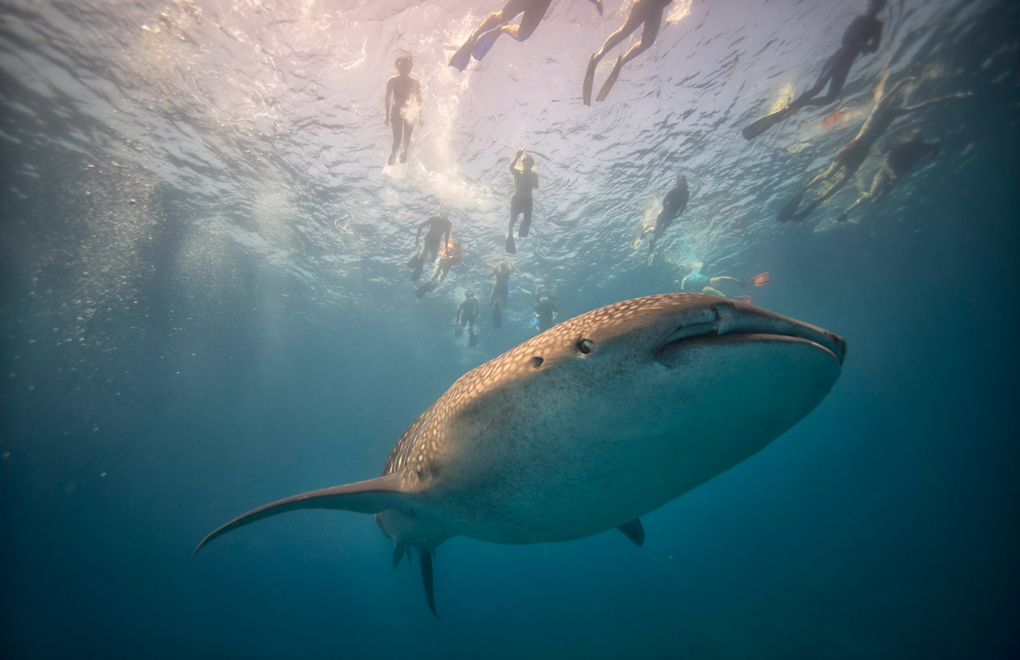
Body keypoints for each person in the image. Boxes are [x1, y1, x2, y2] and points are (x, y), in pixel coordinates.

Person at [777, 66, 969, 223]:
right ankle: (803, 191)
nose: (897, 101)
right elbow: (887, 95)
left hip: (862, 152)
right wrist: (904, 81)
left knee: (841, 183)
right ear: (892, 99)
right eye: (897, 99)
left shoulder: (895, 113)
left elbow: (920, 106)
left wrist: (948, 98)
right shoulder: (879, 109)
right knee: (829, 175)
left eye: (899, 100)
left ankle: (815, 204)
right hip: (855, 145)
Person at [742, 0, 887, 141]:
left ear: (881, 6)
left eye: (879, 3)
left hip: (846, 64)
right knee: (817, 88)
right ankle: (785, 110)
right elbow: (845, 40)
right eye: (874, 2)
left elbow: (874, 48)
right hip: (837, 58)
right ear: (870, 3)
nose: (875, 5)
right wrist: (859, 44)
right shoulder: (860, 19)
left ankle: (798, 105)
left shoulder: (877, 25)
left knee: (830, 98)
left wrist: (865, 47)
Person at [449, 0, 604, 71]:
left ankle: (502, 29)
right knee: (503, 15)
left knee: (520, 33)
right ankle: (475, 35)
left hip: (540, 4)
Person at [835, 131, 942, 223]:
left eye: (919, 138)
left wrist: (936, 146)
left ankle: (862, 193)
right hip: (885, 173)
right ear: (912, 137)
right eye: (915, 138)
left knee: (875, 201)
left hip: (895, 175)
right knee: (872, 196)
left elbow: (933, 154)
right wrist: (892, 175)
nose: (916, 141)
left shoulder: (923, 147)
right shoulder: (904, 145)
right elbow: (884, 162)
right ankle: (846, 212)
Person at [583, 0, 673, 105]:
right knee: (625, 31)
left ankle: (622, 61)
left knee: (647, 43)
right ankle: (596, 58)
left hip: (658, 7)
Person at [641, 171, 690, 266]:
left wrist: (679, 214)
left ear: (685, 184)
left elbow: (684, 205)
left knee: (660, 233)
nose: (681, 185)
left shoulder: (686, 194)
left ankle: (652, 242)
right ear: (677, 183)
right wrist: (667, 210)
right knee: (656, 229)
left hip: (671, 216)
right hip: (663, 214)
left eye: (683, 184)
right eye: (680, 183)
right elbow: (664, 202)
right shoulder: (672, 191)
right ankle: (645, 231)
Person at [384, 55, 423, 166]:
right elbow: (387, 98)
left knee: (406, 139)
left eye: (407, 68)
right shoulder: (392, 81)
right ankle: (393, 153)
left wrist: (420, 116)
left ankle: (405, 151)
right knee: (397, 141)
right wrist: (386, 115)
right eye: (402, 67)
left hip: (410, 113)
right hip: (396, 112)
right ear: (398, 67)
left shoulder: (415, 83)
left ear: (410, 69)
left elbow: (419, 100)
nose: (405, 70)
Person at [505, 148, 539, 254]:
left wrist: (530, 175)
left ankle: (522, 232)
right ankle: (510, 234)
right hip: (517, 200)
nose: (527, 165)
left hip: (528, 200)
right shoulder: (518, 171)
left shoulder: (533, 174)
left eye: (530, 163)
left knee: (528, 221)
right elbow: (510, 168)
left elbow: (536, 186)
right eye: (525, 163)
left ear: (532, 165)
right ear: (522, 164)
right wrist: (517, 156)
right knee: (513, 220)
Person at [407, 207, 452, 282]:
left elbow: (447, 236)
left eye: (447, 213)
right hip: (428, 240)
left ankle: (421, 256)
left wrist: (446, 249)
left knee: (432, 260)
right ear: (440, 212)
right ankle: (420, 258)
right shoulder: (434, 219)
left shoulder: (448, 224)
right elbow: (421, 225)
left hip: (436, 242)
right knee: (422, 256)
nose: (445, 214)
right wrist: (416, 238)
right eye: (444, 212)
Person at [678, 265, 770, 299]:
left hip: (708, 280)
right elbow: (682, 289)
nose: (687, 268)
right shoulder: (684, 279)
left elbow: (703, 265)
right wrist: (676, 284)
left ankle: (743, 283)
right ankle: (728, 298)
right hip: (702, 288)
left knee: (723, 278)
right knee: (712, 291)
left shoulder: (696, 270)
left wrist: (702, 262)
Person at [489, 259, 514, 327]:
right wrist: (490, 275)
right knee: (490, 303)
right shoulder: (496, 268)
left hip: (504, 288)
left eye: (503, 266)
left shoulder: (507, 269)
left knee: (503, 307)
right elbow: (490, 275)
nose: (501, 268)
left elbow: (514, 269)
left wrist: (510, 262)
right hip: (497, 287)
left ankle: (498, 304)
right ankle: (496, 304)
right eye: (501, 266)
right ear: (499, 266)